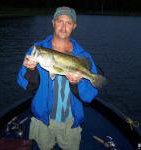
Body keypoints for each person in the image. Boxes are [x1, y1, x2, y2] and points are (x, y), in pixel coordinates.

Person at [17, 6, 98, 150]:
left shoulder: (83, 56)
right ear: (53, 22)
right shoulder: (37, 49)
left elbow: (89, 96)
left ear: (74, 26)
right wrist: (31, 71)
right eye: (60, 21)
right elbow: (25, 85)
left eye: (68, 22)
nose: (63, 26)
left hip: (70, 123)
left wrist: (75, 84)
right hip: (42, 120)